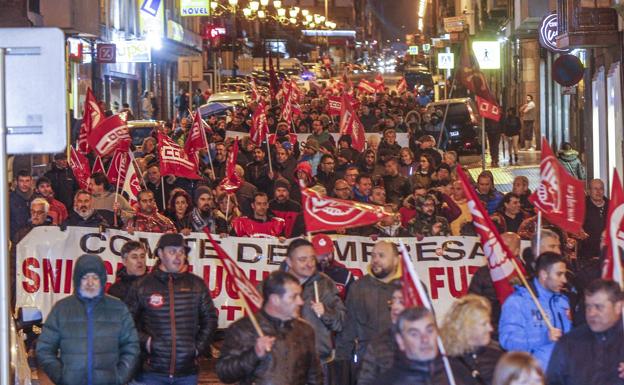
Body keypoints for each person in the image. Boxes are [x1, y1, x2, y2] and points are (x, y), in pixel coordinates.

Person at [126, 233, 218, 384]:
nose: (178, 256)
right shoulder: (142, 286)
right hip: (151, 372)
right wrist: (147, 342)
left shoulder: (197, 284)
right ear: (160, 254)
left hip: (187, 373)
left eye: (181, 252)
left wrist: (197, 348)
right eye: (172, 251)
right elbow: (126, 322)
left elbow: (210, 319)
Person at [36, 254, 140, 385]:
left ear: (102, 279)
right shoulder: (62, 309)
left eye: (95, 277)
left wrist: (119, 377)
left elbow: (131, 346)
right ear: (77, 279)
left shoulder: (118, 308)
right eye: (85, 277)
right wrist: (62, 376)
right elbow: (44, 349)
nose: (90, 282)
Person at [216, 271, 323, 385]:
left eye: (300, 295)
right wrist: (254, 354)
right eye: (293, 297)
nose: (300, 302)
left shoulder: (304, 330)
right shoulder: (244, 328)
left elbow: (314, 375)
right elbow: (224, 373)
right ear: (275, 299)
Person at [281, 239, 346, 382]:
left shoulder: (325, 284)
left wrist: (326, 313)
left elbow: (342, 321)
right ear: (289, 261)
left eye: (312, 258)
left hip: (316, 365)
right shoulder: (274, 284)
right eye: (302, 259)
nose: (309, 264)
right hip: (281, 365)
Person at [336, 241, 402, 374]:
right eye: (373, 256)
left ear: (396, 260)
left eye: (381, 255)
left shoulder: (411, 287)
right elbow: (347, 333)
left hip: (404, 369)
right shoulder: (359, 288)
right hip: (368, 369)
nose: (375, 260)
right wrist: (340, 371)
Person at [499, 253, 571, 370]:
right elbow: (508, 340)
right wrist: (543, 337)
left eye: (564, 274)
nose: (564, 279)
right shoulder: (518, 301)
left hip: (561, 374)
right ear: (544, 274)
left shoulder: (562, 302)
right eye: (559, 274)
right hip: (532, 375)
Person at [546, 279, 624, 385]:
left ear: (618, 307)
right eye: (588, 306)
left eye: (599, 307)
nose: (591, 313)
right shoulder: (569, 342)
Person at [373, 307, 449, 384]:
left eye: (429, 331)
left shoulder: (454, 372)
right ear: (400, 341)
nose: (425, 340)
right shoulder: (386, 382)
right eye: (414, 334)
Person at [441, 295, 504, 385]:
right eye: (484, 324)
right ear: (467, 327)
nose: (490, 328)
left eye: (489, 322)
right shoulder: (446, 364)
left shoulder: (498, 356)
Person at [469, 232, 521, 339]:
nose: (500, 251)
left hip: (519, 333)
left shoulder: (526, 275)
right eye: (498, 246)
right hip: (490, 333)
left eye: (505, 247)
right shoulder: (483, 273)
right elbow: (471, 304)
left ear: (517, 251)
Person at [357, 282, 404, 385]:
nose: (395, 307)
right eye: (393, 301)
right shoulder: (378, 344)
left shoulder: (428, 342)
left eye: (401, 302)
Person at [312, 234, 355, 300]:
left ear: (333, 252)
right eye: (321, 255)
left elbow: (352, 301)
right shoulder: (307, 273)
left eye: (328, 254)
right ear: (313, 255)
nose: (326, 258)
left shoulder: (344, 274)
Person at [579, 179, 609, 259]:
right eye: (595, 189)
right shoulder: (581, 205)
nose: (598, 192)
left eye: (601, 188)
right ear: (589, 191)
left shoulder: (611, 206)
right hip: (587, 254)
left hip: (607, 254)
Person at [10, 170, 33, 241]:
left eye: (27, 181)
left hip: (34, 236)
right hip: (16, 239)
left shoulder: (37, 198)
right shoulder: (9, 199)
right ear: (16, 182)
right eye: (21, 181)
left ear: (31, 182)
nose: (24, 184)